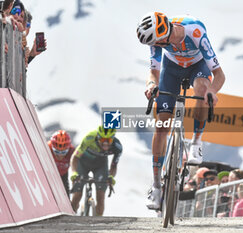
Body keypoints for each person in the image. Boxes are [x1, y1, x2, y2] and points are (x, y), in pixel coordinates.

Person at [136, 12, 225, 210]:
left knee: (202, 91)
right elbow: (154, 71)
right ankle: (157, 186)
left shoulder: (195, 31)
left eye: (158, 43)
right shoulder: (156, 38)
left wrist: (212, 91)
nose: (156, 46)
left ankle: (196, 142)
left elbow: (219, 74)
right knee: (161, 126)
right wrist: (151, 85)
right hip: (172, 69)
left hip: (198, 66)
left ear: (164, 32)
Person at [70, 126, 122, 216]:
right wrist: (74, 172)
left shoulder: (117, 147)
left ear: (113, 139)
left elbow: (114, 166)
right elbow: (75, 157)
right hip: (83, 162)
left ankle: (99, 222)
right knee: (77, 194)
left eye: (109, 141)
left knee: (101, 196)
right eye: (102, 140)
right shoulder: (89, 138)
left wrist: (110, 177)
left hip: (100, 165)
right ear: (97, 138)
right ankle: (71, 215)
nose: (105, 144)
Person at [48, 130, 74, 196]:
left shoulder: (72, 151)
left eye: (63, 152)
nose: (60, 155)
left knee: (66, 196)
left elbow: (78, 166)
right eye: (56, 151)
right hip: (49, 174)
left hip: (63, 175)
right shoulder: (47, 147)